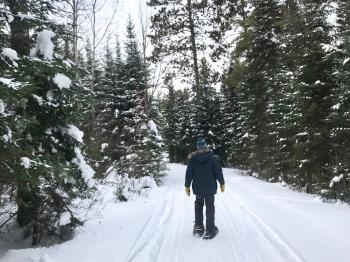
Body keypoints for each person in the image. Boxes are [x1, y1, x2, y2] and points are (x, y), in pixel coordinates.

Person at [185, 138, 225, 240]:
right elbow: (218, 172)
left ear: (198, 148)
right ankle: (210, 229)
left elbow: (189, 173)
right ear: (206, 147)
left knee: (198, 205)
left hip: (198, 188)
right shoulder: (213, 158)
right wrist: (222, 183)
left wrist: (187, 185)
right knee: (210, 206)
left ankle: (198, 227)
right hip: (210, 188)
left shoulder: (193, 159)